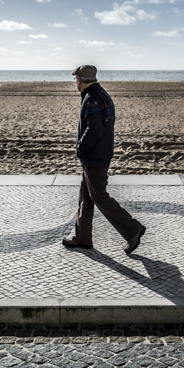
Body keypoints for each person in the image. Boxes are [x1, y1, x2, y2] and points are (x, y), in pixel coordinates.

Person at [63, 65, 146, 254]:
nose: (76, 82)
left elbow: (94, 130)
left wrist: (80, 149)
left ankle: (133, 229)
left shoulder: (92, 99)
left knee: (99, 196)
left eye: (76, 79)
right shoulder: (101, 94)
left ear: (81, 80)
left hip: (95, 157)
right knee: (86, 196)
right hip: (99, 154)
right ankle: (82, 237)